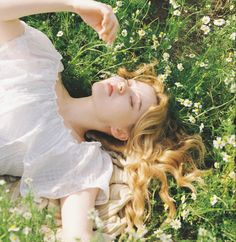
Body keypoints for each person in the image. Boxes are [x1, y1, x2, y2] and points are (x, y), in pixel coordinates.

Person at [0, 0, 206, 241]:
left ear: (120, 132)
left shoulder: (79, 162)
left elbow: (77, 235)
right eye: (129, 83)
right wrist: (75, 5)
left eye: (131, 101)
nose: (121, 87)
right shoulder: (42, 61)